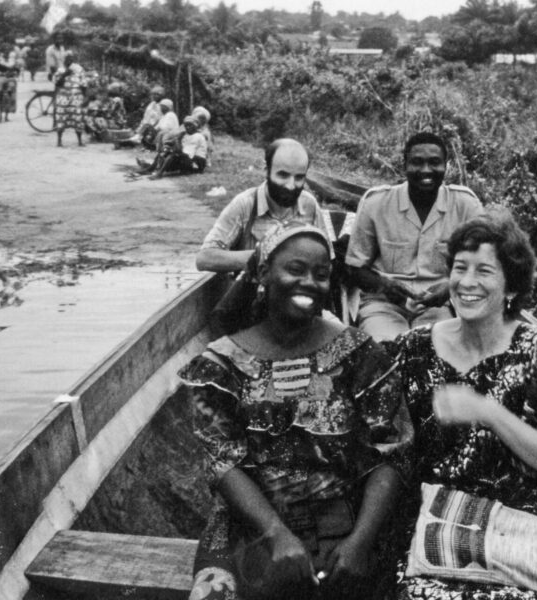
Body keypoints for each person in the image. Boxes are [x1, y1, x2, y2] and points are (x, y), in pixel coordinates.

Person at [180, 223, 411, 600]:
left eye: (321, 274)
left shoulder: (360, 353)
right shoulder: (221, 363)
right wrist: (277, 535)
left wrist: (360, 543)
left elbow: (393, 453)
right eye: (295, 269)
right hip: (250, 529)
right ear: (262, 273)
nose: (310, 283)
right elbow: (222, 463)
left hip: (348, 524)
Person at [389, 211, 537, 599]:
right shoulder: (413, 348)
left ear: (511, 287)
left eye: (484, 271)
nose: (467, 282)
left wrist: (487, 412)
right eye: (459, 268)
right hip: (437, 525)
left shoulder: (535, 350)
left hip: (518, 527)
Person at [344, 131, 484, 342]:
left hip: (438, 308)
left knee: (436, 350)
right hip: (383, 305)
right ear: (405, 165)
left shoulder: (465, 205)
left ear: (446, 166)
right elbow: (354, 268)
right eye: (417, 162)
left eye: (434, 162)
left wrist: (450, 287)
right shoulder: (376, 203)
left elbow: (483, 263)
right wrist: (384, 286)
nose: (426, 170)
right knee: (385, 350)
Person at [195, 139, 330, 274]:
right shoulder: (245, 204)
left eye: (299, 178)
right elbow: (204, 258)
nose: (291, 186)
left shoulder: (309, 205)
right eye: (283, 175)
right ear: (266, 170)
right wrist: (266, 256)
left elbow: (328, 258)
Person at [53, 54, 88, 147]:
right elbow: (57, 84)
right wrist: (65, 74)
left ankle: (80, 141)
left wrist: (85, 97)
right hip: (63, 99)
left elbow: (84, 84)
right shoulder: (60, 70)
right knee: (61, 119)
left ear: (73, 61)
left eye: (70, 60)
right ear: (64, 61)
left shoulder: (79, 69)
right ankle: (59, 141)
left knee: (78, 119)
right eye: (67, 60)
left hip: (76, 98)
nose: (69, 62)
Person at [0, 49, 19, 123]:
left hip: (3, 80)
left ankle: (1, 117)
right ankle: (4, 116)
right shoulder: (11, 61)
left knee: (1, 98)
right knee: (8, 96)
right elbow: (17, 71)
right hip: (8, 80)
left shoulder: (0, 62)